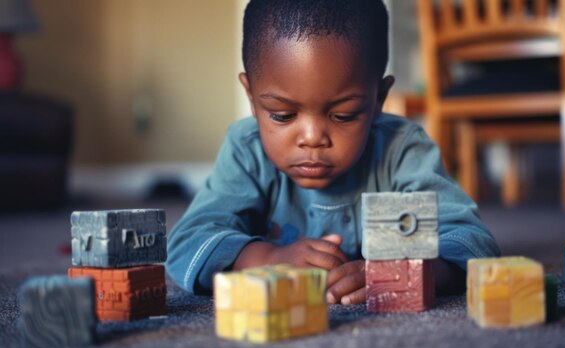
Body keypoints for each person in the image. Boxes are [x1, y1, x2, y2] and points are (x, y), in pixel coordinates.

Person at [166, 0, 500, 305]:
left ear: (378, 100)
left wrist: (413, 274)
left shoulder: (403, 148)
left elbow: (473, 245)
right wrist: (266, 258)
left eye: (343, 115)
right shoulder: (247, 148)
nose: (313, 138)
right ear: (252, 98)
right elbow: (186, 244)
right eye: (282, 115)